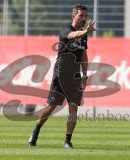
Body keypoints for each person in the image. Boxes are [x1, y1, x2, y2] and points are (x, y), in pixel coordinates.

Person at [28, 4, 96, 149]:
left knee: (73, 108)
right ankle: (35, 132)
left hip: (75, 74)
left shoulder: (84, 35)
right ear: (73, 16)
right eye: (80, 15)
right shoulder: (67, 30)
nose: (83, 18)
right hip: (61, 71)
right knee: (51, 106)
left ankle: (67, 140)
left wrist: (85, 75)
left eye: (85, 15)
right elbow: (73, 35)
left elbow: (83, 55)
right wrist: (85, 32)